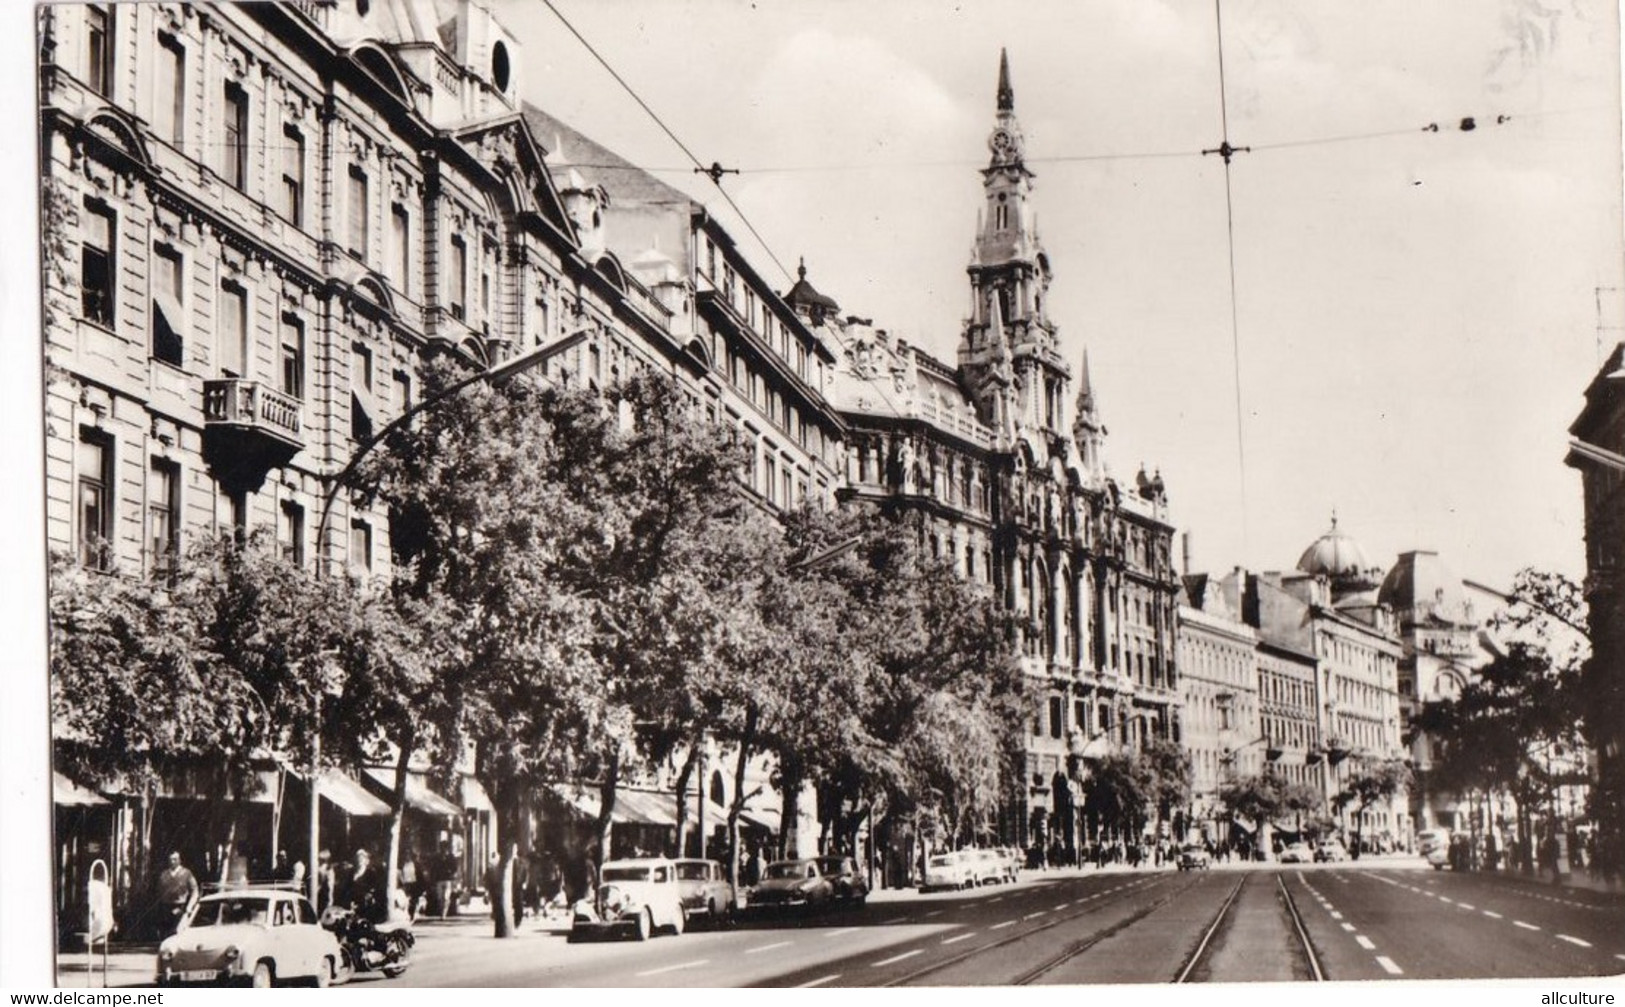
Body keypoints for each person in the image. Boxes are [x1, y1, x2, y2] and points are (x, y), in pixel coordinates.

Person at [155, 852, 200, 938]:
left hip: (181, 905)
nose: (172, 862)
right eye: (170, 859)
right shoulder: (164, 874)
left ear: (180, 860)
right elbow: (159, 891)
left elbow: (195, 890)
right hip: (165, 907)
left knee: (178, 930)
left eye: (175, 859)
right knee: (165, 932)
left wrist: (189, 907)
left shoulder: (186, 873)